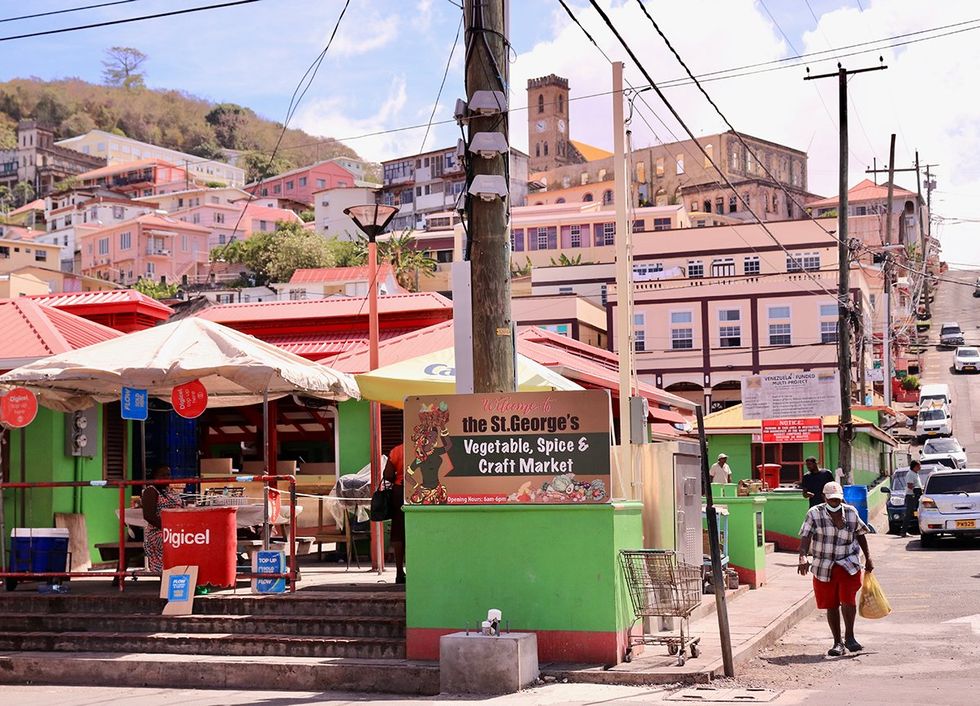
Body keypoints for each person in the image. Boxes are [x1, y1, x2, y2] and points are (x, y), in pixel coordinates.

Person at [798, 481, 874, 656]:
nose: (835, 502)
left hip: (848, 563)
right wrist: (803, 555)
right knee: (831, 604)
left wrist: (868, 557)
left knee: (848, 600)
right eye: (831, 499)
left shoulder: (851, 512)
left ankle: (850, 637)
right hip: (824, 565)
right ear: (825, 498)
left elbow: (861, 535)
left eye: (838, 499)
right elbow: (806, 536)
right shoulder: (814, 513)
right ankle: (837, 642)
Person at [141, 465, 184, 573]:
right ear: (155, 476)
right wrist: (169, 529)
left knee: (195, 539)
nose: (167, 477)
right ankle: (170, 572)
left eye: (168, 474)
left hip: (177, 529)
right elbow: (149, 516)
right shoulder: (151, 491)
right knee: (178, 541)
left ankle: (189, 572)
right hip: (158, 532)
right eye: (163, 475)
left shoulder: (170, 491)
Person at [383, 443, 406, 585]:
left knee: (398, 533)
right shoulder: (427, 447)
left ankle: (399, 572)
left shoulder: (397, 450)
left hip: (400, 491)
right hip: (423, 492)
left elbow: (388, 475)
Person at [900, 460, 925, 538]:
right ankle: (903, 531)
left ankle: (920, 529)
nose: (920, 468)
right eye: (918, 466)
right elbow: (910, 485)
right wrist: (917, 490)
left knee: (917, 512)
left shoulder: (915, 474)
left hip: (916, 496)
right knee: (909, 514)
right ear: (914, 466)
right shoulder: (910, 474)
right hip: (911, 496)